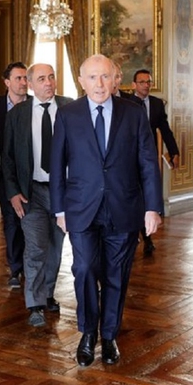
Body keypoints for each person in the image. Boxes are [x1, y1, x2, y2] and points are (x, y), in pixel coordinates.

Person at [50, 54, 162, 367]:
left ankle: (109, 334)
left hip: (123, 207)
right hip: (81, 208)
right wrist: (59, 209)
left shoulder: (134, 112)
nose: (99, 84)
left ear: (115, 80)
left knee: (117, 274)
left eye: (105, 77)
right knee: (84, 269)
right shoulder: (68, 114)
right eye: (92, 78)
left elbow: (147, 162)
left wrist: (152, 207)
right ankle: (88, 333)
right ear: (81, 81)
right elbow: (58, 165)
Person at [2, 63, 72, 327]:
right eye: (42, 78)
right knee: (35, 247)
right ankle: (35, 304)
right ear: (30, 84)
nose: (49, 83)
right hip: (31, 192)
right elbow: (7, 158)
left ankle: (48, 294)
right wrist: (12, 193)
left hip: (62, 191)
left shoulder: (70, 108)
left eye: (52, 77)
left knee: (56, 247)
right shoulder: (18, 115)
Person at [0, 62, 29, 289]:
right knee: (11, 221)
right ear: (7, 82)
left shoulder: (34, 104)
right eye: (19, 78)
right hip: (4, 175)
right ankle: (15, 268)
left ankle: (29, 266)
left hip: (30, 176)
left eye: (25, 78)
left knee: (29, 221)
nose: (23, 82)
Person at [128, 69, 179, 255]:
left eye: (148, 82)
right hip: (128, 158)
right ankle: (135, 235)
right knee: (133, 196)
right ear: (134, 85)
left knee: (146, 195)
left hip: (148, 157)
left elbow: (165, 129)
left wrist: (174, 151)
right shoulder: (125, 103)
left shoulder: (157, 104)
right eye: (141, 82)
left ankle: (147, 237)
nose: (146, 85)